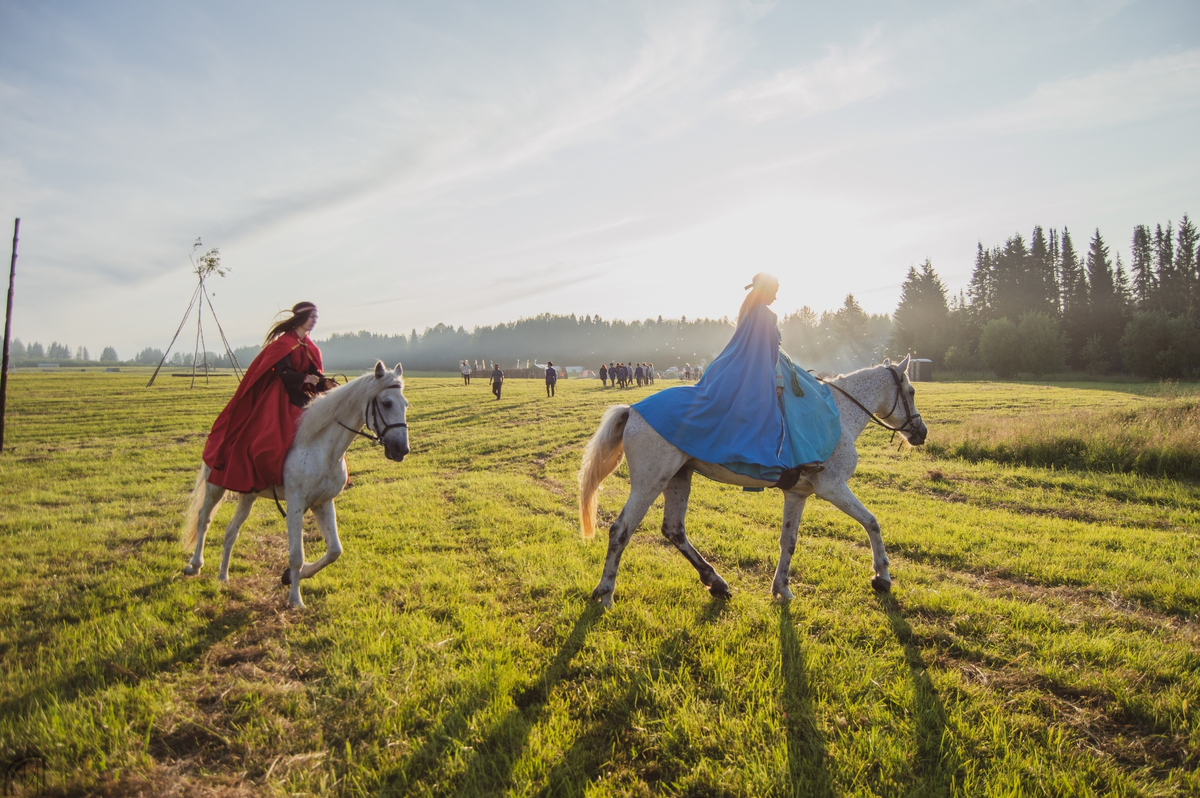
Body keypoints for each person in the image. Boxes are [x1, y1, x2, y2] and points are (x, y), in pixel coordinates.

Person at [631, 274, 841, 486]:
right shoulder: (764, 314)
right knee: (803, 403)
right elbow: (767, 349)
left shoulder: (751, 311)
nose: (776, 297)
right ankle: (802, 459)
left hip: (755, 364)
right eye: (775, 292)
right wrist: (777, 379)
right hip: (766, 367)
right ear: (766, 291)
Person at [202, 301, 335, 494]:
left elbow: (316, 375)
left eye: (316, 318)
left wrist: (325, 384)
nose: (315, 321)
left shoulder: (312, 348)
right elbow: (282, 371)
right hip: (280, 396)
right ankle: (272, 474)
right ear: (301, 317)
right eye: (312, 317)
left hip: (304, 395)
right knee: (276, 435)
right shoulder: (283, 344)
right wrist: (305, 378)